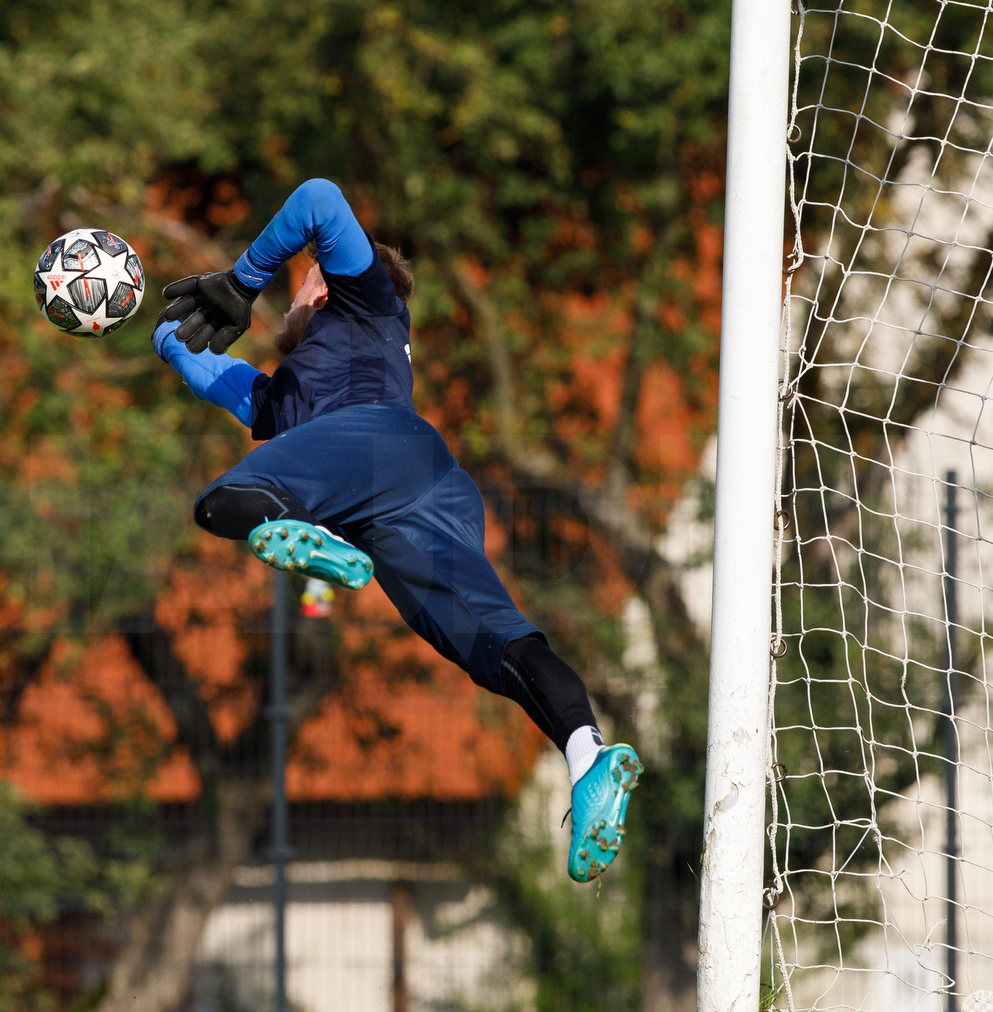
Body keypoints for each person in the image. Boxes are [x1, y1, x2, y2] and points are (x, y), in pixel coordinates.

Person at [153, 178, 639, 882]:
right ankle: (588, 756)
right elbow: (207, 367)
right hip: (424, 489)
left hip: (373, 446)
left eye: (296, 284)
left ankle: (311, 539)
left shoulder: (365, 304)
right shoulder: (283, 398)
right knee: (491, 645)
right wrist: (163, 330)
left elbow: (318, 199)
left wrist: (242, 279)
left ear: (322, 288)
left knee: (225, 499)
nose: (286, 300)